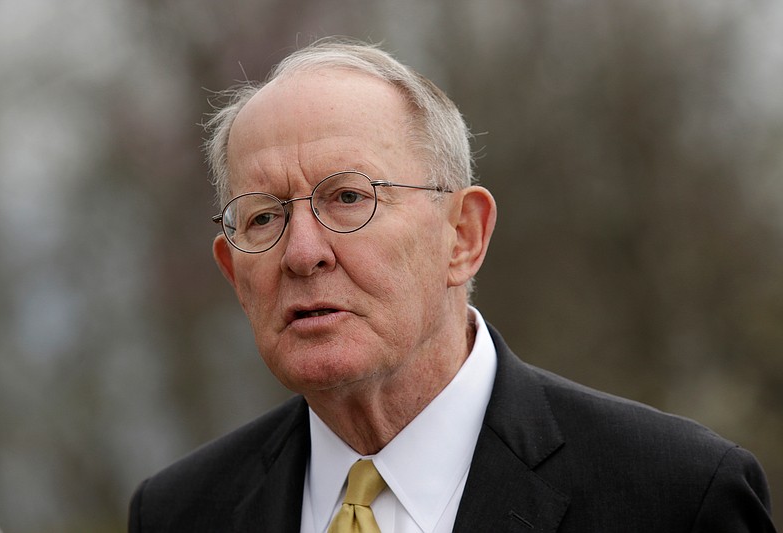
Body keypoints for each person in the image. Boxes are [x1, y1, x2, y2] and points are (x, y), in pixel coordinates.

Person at [129, 37, 775, 532]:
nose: (301, 252)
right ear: (233, 274)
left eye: (349, 197)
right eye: (264, 215)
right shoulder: (180, 513)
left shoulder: (675, 497)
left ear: (462, 235)